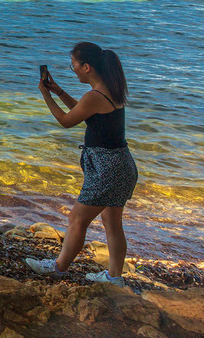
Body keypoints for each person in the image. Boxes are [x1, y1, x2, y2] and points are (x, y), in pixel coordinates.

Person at [26, 43, 136, 283]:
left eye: (73, 65)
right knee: (111, 220)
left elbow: (66, 121)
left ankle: (58, 267)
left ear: (86, 67)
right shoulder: (110, 90)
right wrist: (58, 91)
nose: (72, 69)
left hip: (107, 169)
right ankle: (114, 277)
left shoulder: (94, 96)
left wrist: (45, 94)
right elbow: (84, 112)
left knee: (77, 217)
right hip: (121, 165)